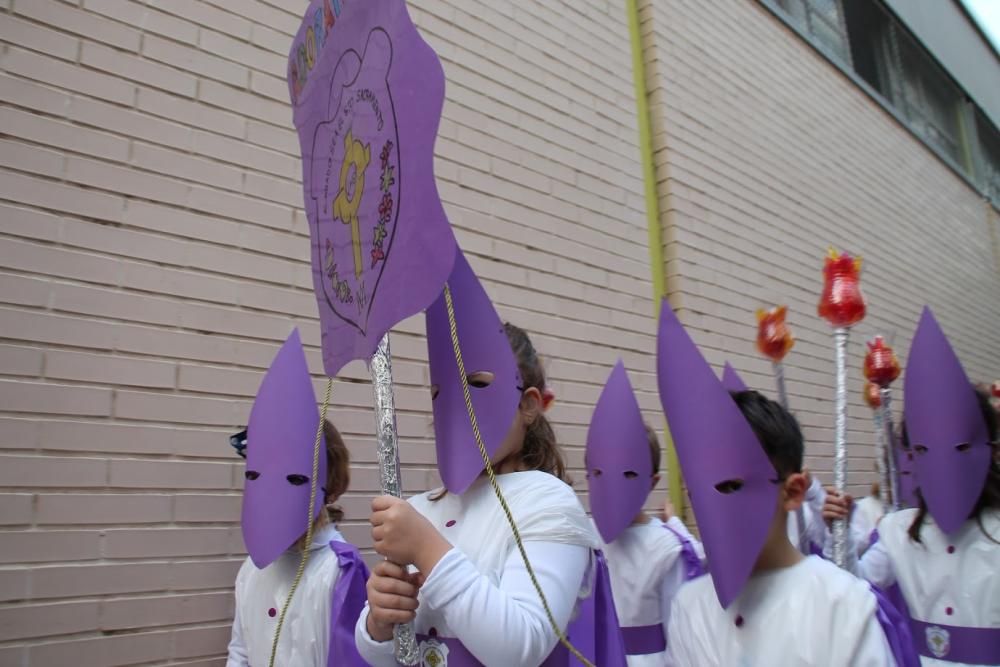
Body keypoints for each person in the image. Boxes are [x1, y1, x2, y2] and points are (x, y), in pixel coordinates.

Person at [354, 251, 624, 667]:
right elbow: (388, 654)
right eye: (441, 392)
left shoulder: (547, 503)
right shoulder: (423, 507)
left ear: (528, 405)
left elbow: (520, 646)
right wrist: (379, 623)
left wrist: (426, 547)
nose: (458, 407)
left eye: (477, 385)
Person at [655, 302, 914, 666]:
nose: (712, 509)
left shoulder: (843, 605)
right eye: (697, 492)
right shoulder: (690, 604)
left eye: (729, 487)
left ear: (791, 491)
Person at [823, 308, 1000, 666]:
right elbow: (855, 587)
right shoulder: (897, 530)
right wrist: (836, 532)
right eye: (923, 450)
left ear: (991, 450)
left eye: (961, 448)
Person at [227, 329, 368, 667]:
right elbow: (241, 651)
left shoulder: (339, 571)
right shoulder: (253, 567)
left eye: (294, 479)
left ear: (330, 487)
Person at [585, 360, 705, 665]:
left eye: (628, 474)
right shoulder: (582, 535)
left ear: (651, 481)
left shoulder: (666, 548)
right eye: (599, 472)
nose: (613, 484)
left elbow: (680, 625)